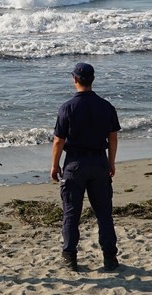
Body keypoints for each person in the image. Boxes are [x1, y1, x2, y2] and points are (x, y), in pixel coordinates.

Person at [50, 63, 120, 272]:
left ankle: (70, 256)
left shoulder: (68, 107)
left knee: (71, 213)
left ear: (75, 80)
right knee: (104, 212)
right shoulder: (105, 106)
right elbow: (113, 136)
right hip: (99, 161)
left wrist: (54, 165)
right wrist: (111, 162)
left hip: (75, 163)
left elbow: (58, 141)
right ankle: (109, 257)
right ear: (92, 80)